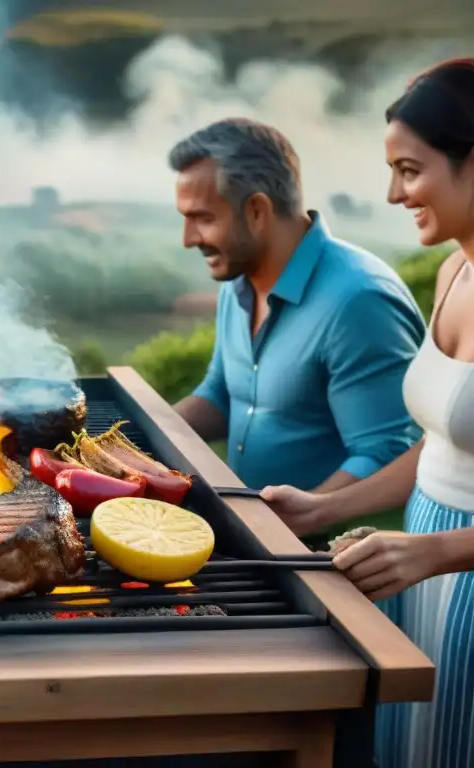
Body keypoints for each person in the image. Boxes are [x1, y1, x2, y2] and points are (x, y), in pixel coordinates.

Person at [258, 59, 474, 768]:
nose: (392, 193)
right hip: (426, 565)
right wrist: (323, 510)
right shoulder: (453, 271)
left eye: (410, 170)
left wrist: (438, 553)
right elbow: (442, 451)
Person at [167, 117, 426, 541]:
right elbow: (221, 393)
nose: (188, 238)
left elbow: (388, 454)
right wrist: (132, 441)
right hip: (259, 547)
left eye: (202, 218)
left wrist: (304, 518)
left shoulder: (359, 300)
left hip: (337, 568)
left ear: (257, 211)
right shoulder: (239, 283)